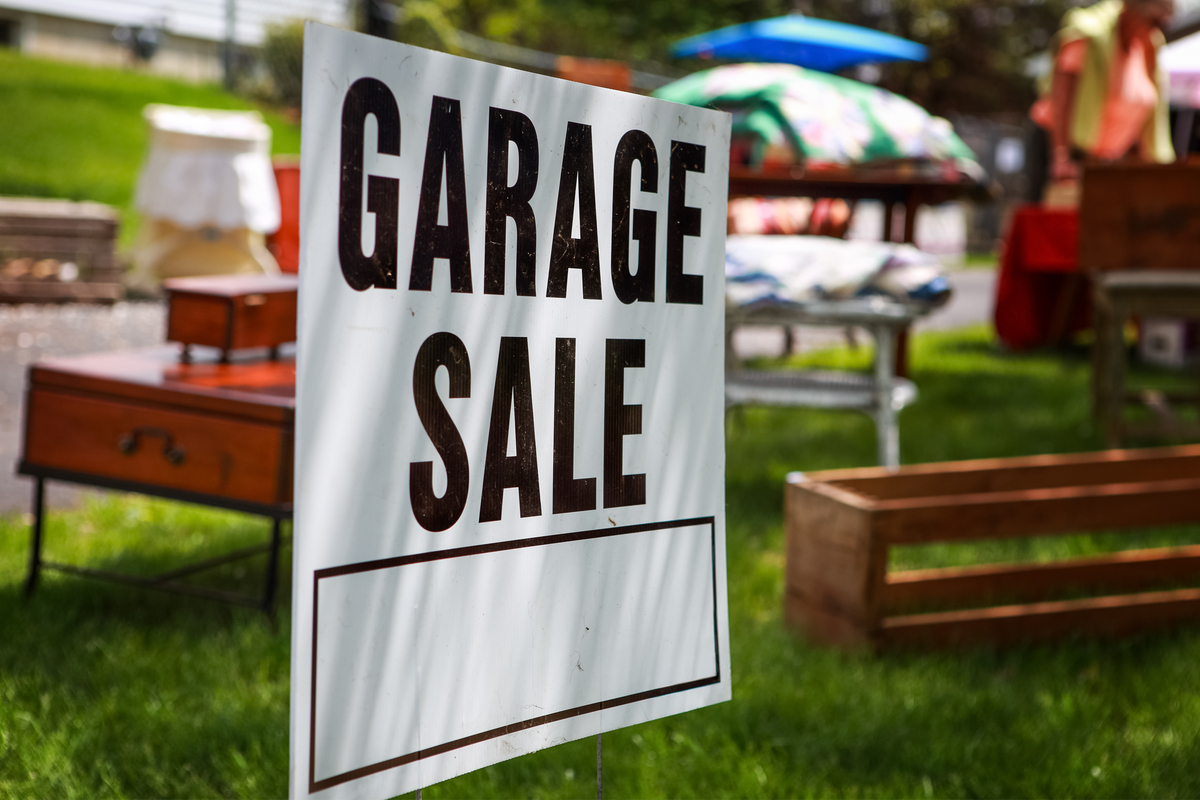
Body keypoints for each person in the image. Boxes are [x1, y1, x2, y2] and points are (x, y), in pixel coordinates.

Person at [1032, 0, 1177, 184]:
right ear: (1133, 11)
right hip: (1062, 153)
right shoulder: (1088, 33)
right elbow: (1061, 97)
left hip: (1105, 161)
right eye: (1157, 22)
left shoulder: (1149, 48)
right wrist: (1061, 157)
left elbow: (1147, 120)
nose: (1158, 31)